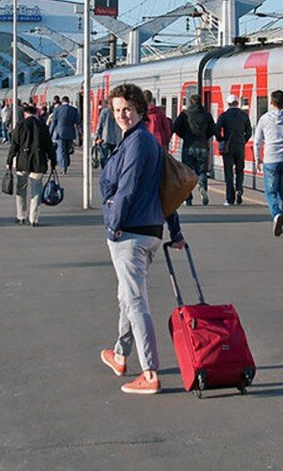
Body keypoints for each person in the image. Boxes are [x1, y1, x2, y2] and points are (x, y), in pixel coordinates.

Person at [97, 82, 186, 396]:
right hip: (148, 232)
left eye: (128, 110)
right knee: (127, 297)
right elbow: (166, 192)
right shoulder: (147, 142)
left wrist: (113, 224)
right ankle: (121, 355)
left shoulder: (136, 144)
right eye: (118, 110)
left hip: (130, 234)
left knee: (136, 303)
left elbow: (129, 188)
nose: (122, 115)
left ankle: (150, 373)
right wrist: (175, 232)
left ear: (140, 111)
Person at [253, 89, 283, 236]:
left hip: (270, 159)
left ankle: (276, 214)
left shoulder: (264, 118)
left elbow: (257, 141)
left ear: (271, 102)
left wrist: (257, 158)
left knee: (270, 191)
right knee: (282, 193)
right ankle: (281, 220)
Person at [7, 103, 55, 227]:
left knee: (21, 189)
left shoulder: (20, 125)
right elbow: (49, 145)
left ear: (25, 114)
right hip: (38, 161)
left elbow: (14, 145)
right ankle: (34, 218)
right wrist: (53, 161)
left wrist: (9, 160)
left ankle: (21, 215)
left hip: (23, 161)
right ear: (36, 113)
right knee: (36, 190)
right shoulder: (42, 126)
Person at [172, 94, 216, 206]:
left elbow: (175, 127)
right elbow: (213, 130)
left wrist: (184, 136)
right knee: (201, 171)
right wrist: (205, 136)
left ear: (190, 102)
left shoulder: (184, 114)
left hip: (188, 146)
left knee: (187, 172)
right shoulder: (206, 115)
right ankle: (202, 188)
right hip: (202, 146)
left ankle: (188, 198)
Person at [215, 94, 253, 206]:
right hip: (240, 146)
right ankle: (239, 189)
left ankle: (230, 199)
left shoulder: (224, 116)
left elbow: (216, 130)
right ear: (237, 103)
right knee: (240, 170)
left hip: (228, 147)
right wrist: (243, 140)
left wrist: (221, 139)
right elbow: (249, 132)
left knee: (229, 172)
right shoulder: (244, 115)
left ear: (228, 103)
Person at [48, 95, 82, 174]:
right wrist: (81, 133)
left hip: (60, 133)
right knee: (67, 150)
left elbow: (53, 123)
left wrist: (49, 133)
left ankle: (63, 167)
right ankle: (66, 162)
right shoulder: (74, 110)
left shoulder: (57, 109)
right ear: (69, 101)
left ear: (62, 101)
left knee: (61, 151)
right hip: (70, 133)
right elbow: (78, 123)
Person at [95, 101, 123, 167]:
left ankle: (105, 171)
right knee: (115, 158)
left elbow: (100, 125)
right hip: (117, 138)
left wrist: (97, 136)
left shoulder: (104, 112)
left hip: (105, 138)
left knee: (103, 157)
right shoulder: (118, 112)